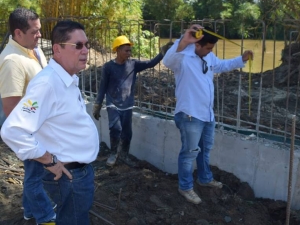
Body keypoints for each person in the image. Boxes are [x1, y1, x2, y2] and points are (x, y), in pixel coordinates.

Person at [1, 20, 100, 225]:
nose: (85, 50)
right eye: (78, 45)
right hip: (68, 176)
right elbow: (13, 130)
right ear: (57, 49)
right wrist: (48, 160)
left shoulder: (67, 78)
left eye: (87, 45)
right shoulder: (48, 84)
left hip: (76, 174)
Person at [163, 25, 254, 205]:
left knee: (204, 150)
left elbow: (221, 65)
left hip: (207, 115)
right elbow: (167, 61)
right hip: (189, 115)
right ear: (197, 45)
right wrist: (184, 40)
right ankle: (185, 187)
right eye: (208, 48)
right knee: (189, 153)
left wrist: (241, 59)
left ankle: (204, 178)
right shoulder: (182, 58)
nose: (210, 51)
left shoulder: (208, 56)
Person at [0, 8, 56, 224]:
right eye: (35, 32)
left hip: (41, 126)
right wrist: (30, 140)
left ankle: (30, 211)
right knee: (36, 177)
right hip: (30, 130)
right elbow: (11, 107)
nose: (40, 35)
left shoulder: (33, 50)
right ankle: (46, 217)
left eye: (39, 30)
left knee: (34, 173)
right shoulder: (12, 61)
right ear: (18, 32)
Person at [93, 35, 173, 167]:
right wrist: (97, 104)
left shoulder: (133, 64)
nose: (129, 53)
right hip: (113, 103)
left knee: (127, 133)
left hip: (127, 105)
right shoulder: (108, 67)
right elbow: (102, 87)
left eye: (130, 51)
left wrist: (162, 53)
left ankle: (124, 155)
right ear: (117, 50)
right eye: (126, 50)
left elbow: (151, 63)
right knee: (115, 128)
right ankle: (113, 154)